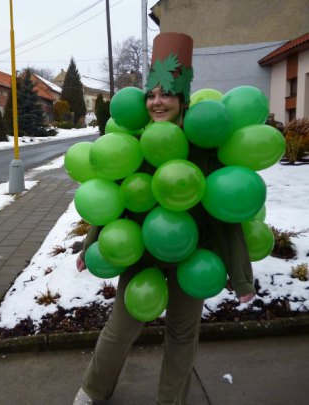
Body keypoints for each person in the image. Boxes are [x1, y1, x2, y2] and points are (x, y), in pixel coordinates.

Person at [73, 33, 256, 405]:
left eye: (166, 94)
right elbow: (115, 198)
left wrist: (241, 277)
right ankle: (93, 390)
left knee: (182, 335)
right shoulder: (135, 142)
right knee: (120, 329)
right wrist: (90, 243)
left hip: (194, 256)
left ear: (183, 99)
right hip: (141, 253)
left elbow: (226, 217)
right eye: (151, 95)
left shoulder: (206, 148)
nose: (157, 102)